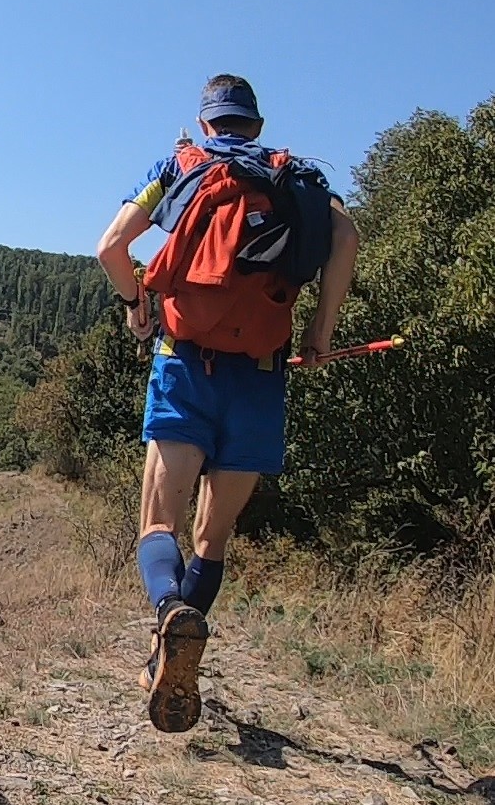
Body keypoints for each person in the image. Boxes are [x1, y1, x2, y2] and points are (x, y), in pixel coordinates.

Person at [94, 74, 362, 732]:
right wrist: (319, 334)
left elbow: (109, 249)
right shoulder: (294, 179)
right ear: (256, 126)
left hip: (184, 363)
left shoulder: (178, 165)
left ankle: (167, 619)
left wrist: (136, 306)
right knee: (212, 536)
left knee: (159, 523)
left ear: (205, 121)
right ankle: (175, 645)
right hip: (261, 374)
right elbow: (346, 237)